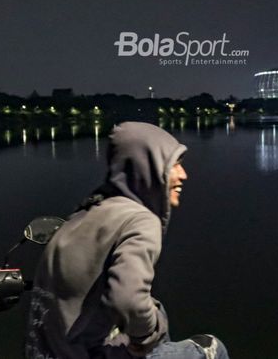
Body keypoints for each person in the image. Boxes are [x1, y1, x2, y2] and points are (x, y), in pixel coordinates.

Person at [25, 121, 229, 359]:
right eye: (176, 164)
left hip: (51, 351)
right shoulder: (139, 221)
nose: (184, 175)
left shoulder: (87, 211)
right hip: (90, 354)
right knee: (212, 348)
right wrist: (145, 337)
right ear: (149, 166)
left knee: (156, 309)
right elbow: (128, 300)